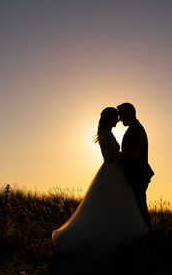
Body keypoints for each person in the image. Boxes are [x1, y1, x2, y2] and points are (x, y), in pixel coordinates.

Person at [52, 107, 149, 257]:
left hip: (116, 171)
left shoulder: (110, 132)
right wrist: (127, 154)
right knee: (109, 206)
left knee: (117, 205)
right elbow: (109, 156)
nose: (118, 119)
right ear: (108, 118)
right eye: (115, 117)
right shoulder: (104, 133)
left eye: (119, 116)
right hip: (111, 171)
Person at [117, 102, 154, 230]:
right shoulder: (134, 128)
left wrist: (118, 155)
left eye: (121, 115)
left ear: (129, 113)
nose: (120, 119)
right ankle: (142, 233)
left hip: (138, 174)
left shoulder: (136, 129)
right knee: (136, 206)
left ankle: (147, 233)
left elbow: (138, 154)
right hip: (136, 174)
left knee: (139, 205)